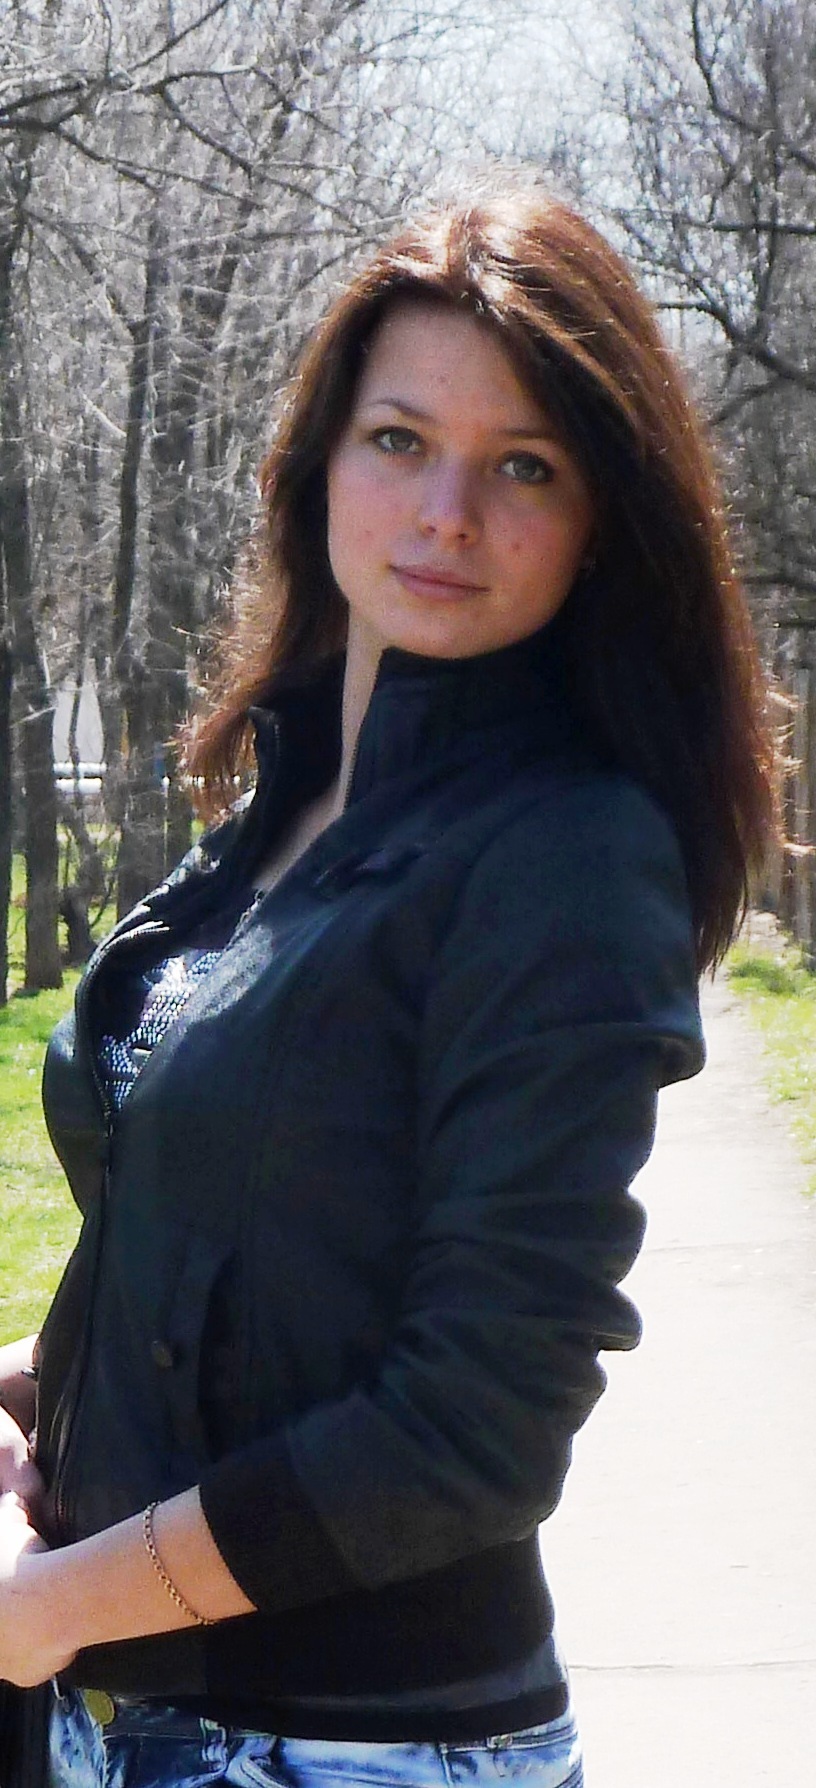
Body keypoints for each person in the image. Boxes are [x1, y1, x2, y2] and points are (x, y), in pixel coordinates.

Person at [0, 175, 773, 1788]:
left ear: (603, 520)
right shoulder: (282, 810)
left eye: (524, 467)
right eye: (401, 440)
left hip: (354, 1750)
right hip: (131, 1718)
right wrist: (37, 1406)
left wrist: (52, 1604)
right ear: (318, 464)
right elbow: (243, 1274)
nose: (446, 515)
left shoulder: (566, 853)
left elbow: (473, 1424)